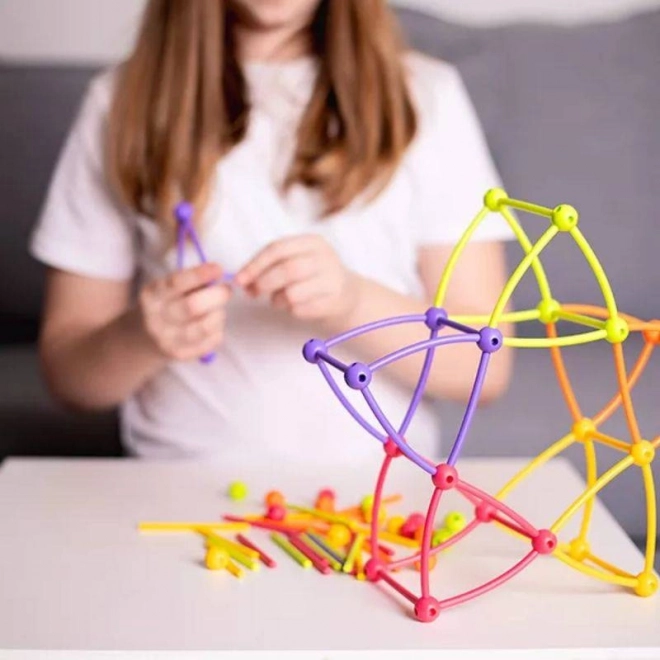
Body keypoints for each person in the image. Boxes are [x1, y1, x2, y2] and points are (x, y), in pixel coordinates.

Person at [30, 0, 514, 467]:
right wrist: (141, 336)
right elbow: (70, 378)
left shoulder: (424, 96)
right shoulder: (121, 103)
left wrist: (351, 304)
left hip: (378, 489)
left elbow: (486, 367)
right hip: (175, 478)